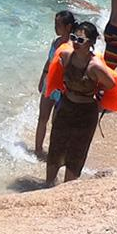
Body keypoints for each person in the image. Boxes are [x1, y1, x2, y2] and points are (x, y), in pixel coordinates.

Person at [44, 22, 117, 186]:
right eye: (73, 38)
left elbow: (111, 85)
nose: (75, 42)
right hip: (65, 107)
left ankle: (66, 191)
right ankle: (48, 186)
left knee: (76, 154)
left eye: (80, 40)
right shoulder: (66, 57)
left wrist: (99, 100)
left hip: (85, 114)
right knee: (55, 149)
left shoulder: (95, 67)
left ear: (91, 43)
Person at [33, 9, 78, 157]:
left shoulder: (72, 47)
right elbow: (49, 61)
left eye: (58, 24)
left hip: (62, 90)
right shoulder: (56, 42)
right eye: (55, 23)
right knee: (42, 118)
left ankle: (53, 154)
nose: (55, 27)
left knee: (56, 124)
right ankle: (38, 150)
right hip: (49, 84)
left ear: (68, 26)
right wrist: (42, 79)